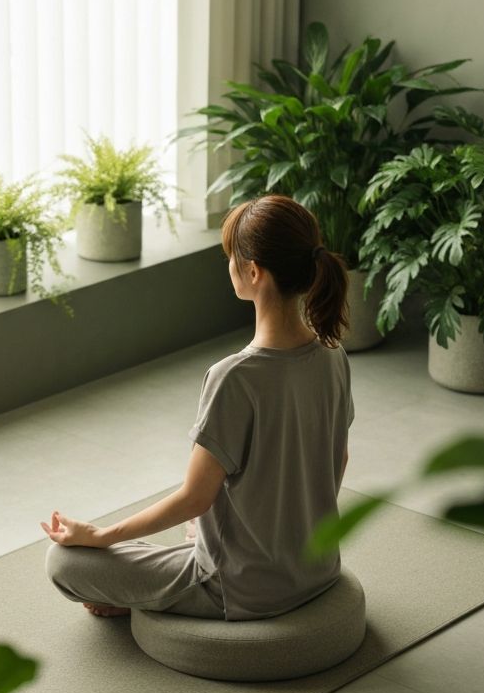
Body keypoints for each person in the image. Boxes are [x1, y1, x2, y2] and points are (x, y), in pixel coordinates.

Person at [41, 194, 354, 621]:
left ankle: (141, 594)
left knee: (63, 562)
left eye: (230, 257)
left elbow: (194, 498)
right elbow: (336, 462)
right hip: (317, 569)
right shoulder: (334, 356)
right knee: (196, 529)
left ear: (253, 272)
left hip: (239, 588)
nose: (227, 266)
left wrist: (100, 535)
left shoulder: (234, 377)